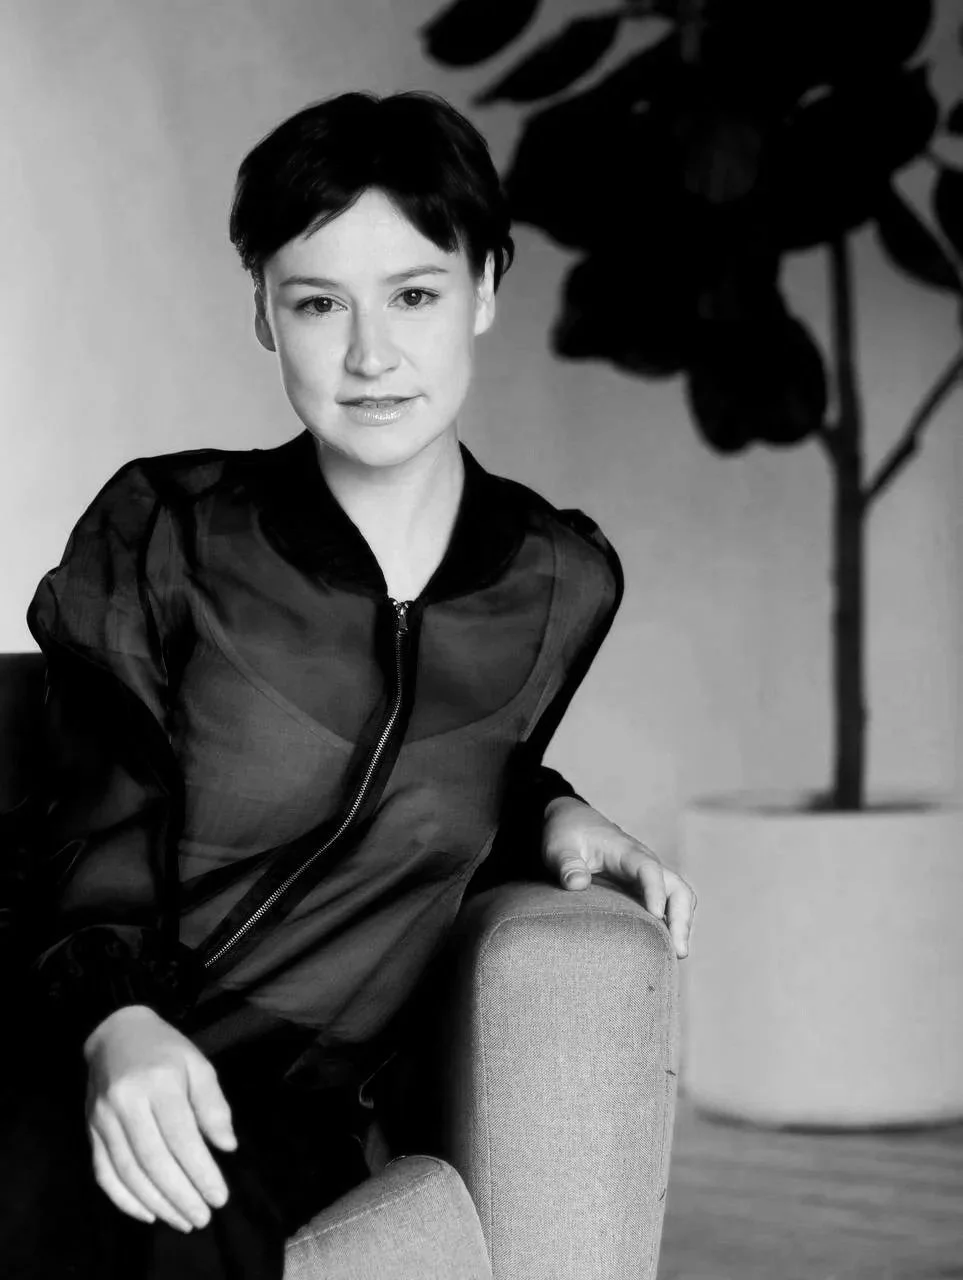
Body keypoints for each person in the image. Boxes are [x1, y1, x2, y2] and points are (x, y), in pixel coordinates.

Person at [0, 89, 696, 1279]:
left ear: (485, 289)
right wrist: (115, 1024)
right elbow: (93, 824)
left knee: (184, 1214)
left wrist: (553, 809)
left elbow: (459, 748)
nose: (370, 356)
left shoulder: (556, 578)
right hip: (69, 1028)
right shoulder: (170, 531)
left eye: (415, 295)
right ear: (266, 316)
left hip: (286, 1093)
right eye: (318, 302)